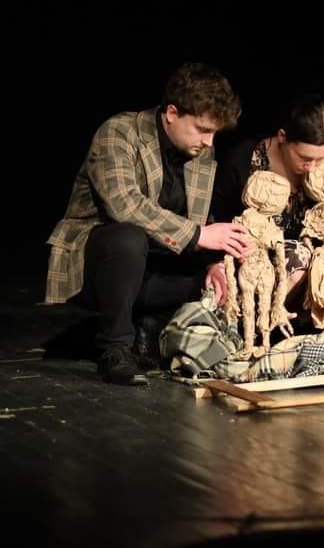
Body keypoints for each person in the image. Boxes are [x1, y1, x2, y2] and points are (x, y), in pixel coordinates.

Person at [45, 62, 248, 385]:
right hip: (101, 263)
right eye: (202, 129)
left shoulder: (199, 151)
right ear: (172, 113)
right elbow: (123, 204)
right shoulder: (119, 133)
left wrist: (212, 263)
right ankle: (115, 348)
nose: (209, 142)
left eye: (214, 133)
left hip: (157, 264)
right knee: (128, 238)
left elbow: (200, 216)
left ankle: (150, 326)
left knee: (228, 280)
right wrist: (199, 235)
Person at [211, 94, 324, 309]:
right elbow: (215, 221)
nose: (312, 167)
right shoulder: (243, 160)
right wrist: (219, 261)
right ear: (282, 137)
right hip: (249, 268)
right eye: (305, 158)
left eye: (320, 158)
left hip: (309, 278)